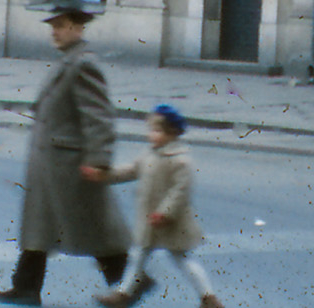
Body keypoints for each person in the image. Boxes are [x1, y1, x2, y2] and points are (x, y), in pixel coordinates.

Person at [0, 1, 133, 306]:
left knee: (94, 230)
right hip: (53, 162)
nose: (54, 32)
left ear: (77, 27)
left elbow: (99, 118)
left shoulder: (83, 63)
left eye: (60, 26)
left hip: (70, 165)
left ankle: (129, 284)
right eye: (52, 26)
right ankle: (26, 286)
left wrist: (98, 160)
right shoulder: (68, 60)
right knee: (40, 227)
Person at [92, 105, 220, 308]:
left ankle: (209, 298)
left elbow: (180, 191)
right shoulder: (149, 154)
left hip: (171, 223)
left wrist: (165, 213)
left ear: (172, 132)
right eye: (151, 130)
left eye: (157, 130)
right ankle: (123, 294)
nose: (152, 135)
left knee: (183, 259)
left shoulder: (180, 160)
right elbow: (131, 170)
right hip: (150, 221)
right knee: (137, 257)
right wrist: (106, 175)